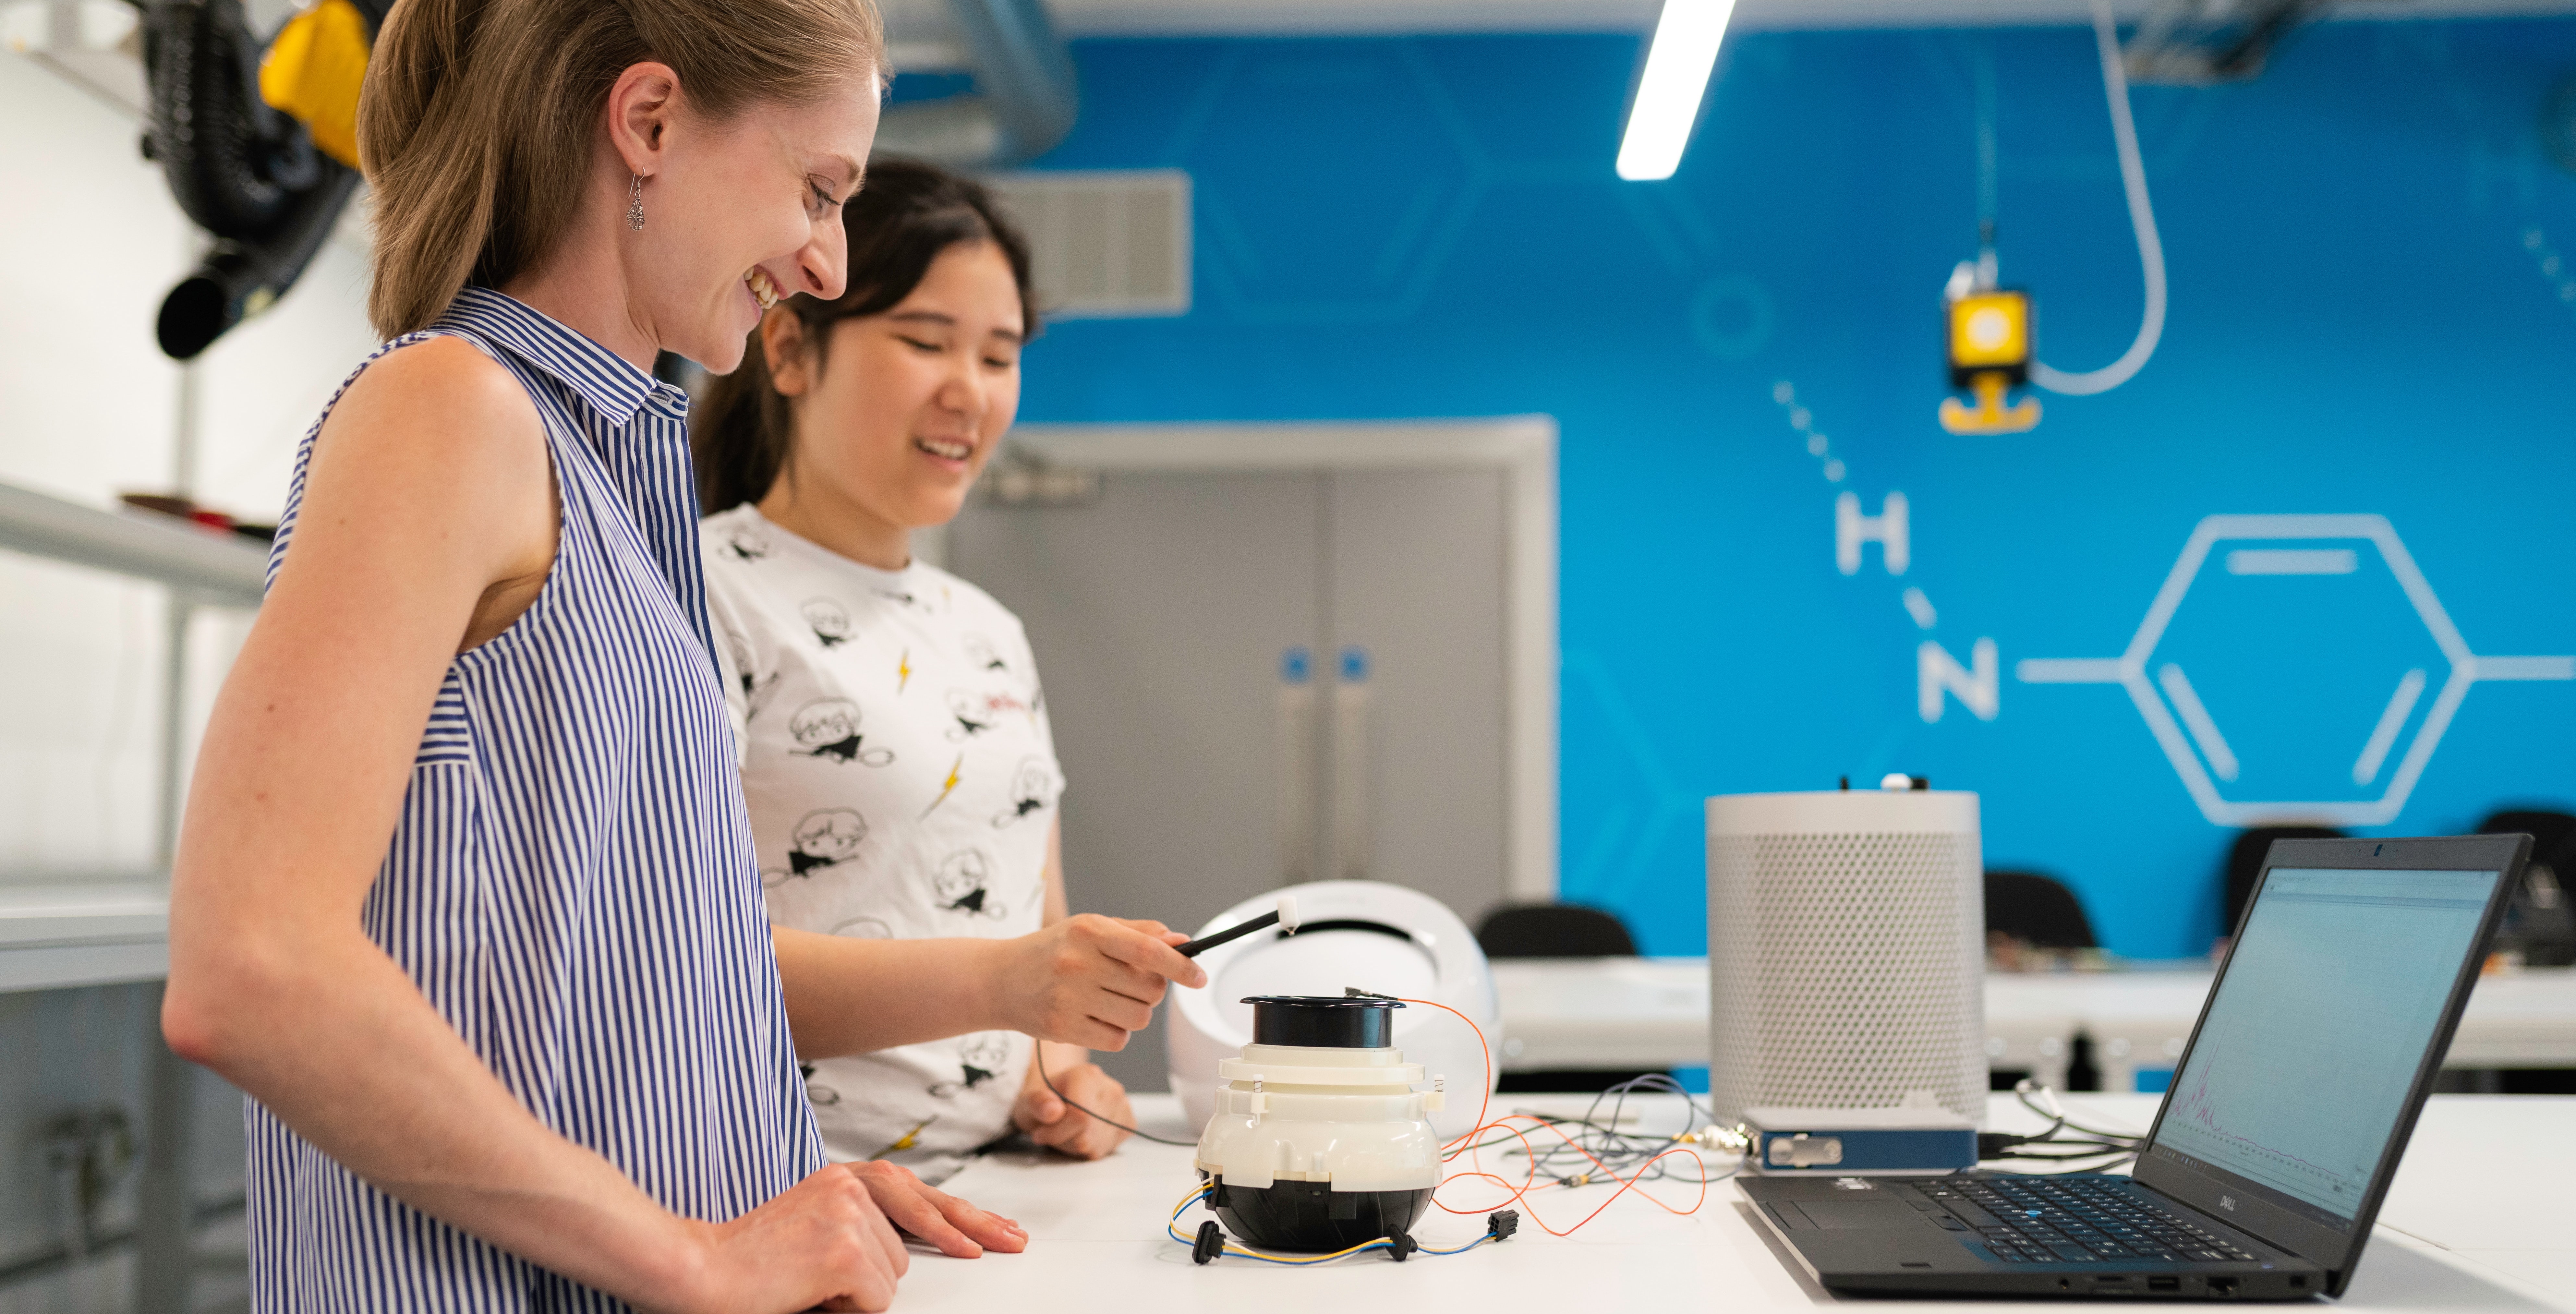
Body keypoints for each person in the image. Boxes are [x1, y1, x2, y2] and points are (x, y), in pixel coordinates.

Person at [155, 1, 1142, 1308]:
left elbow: (631, 986)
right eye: (817, 188)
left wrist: (770, 1175)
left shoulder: (618, 478)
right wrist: (691, 1250)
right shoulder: (450, 410)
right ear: (652, 123)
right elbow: (252, 969)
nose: (828, 262)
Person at [692, 159, 1199, 1184]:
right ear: (790, 348)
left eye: (1000, 355)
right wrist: (1007, 983)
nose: (969, 390)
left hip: (995, 1193)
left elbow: (1035, 923)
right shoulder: (703, 588)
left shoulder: (989, 630)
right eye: (925, 341)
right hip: (789, 1196)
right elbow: (680, 964)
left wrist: (1063, 1074)